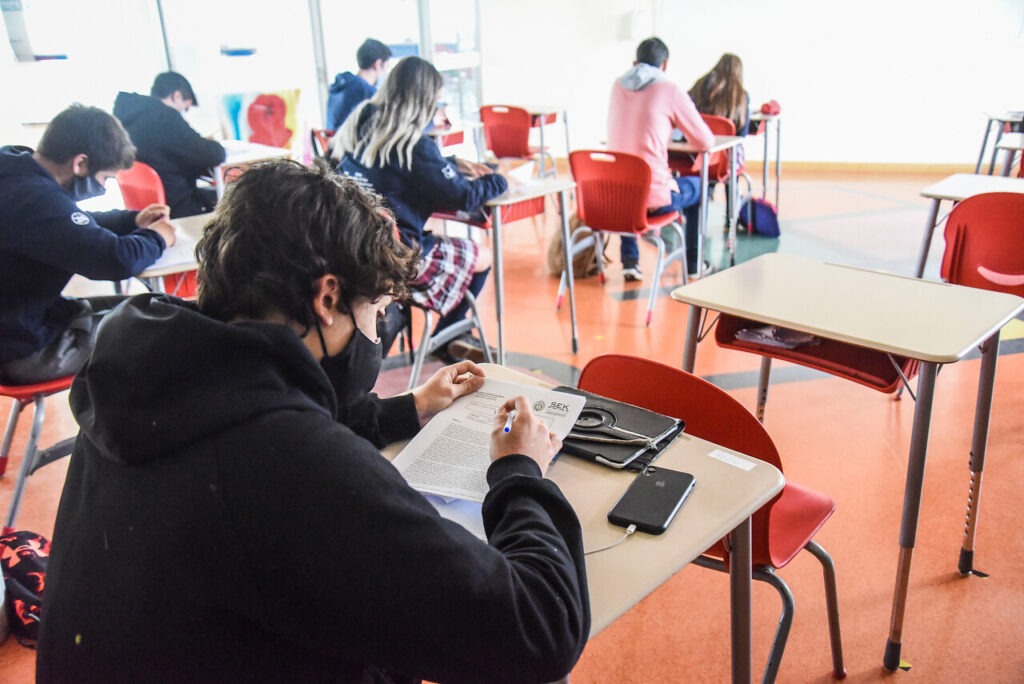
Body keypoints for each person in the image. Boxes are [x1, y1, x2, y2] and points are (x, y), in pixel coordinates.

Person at [36, 159, 590, 683]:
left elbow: (255, 414)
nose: (375, 334)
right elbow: (542, 628)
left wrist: (407, 409)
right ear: (327, 298)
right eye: (374, 312)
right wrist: (519, 471)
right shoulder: (292, 460)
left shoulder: (144, 376)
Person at [334, 56, 506, 362]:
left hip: (352, 248)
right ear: (425, 100)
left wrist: (450, 163)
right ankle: (448, 334)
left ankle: (449, 335)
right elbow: (464, 197)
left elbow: (398, 168)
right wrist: (498, 179)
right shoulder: (414, 145)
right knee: (484, 256)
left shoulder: (361, 120)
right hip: (397, 258)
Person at [0, 104, 175, 385]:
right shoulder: (34, 198)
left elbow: (67, 224)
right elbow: (115, 260)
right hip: (25, 350)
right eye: (105, 178)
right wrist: (158, 237)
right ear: (80, 163)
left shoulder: (16, 172)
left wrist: (131, 221)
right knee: (166, 328)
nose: (104, 188)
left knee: (159, 307)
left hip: (26, 322)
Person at [607, 37, 716, 280]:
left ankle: (630, 261)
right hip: (654, 199)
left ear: (634, 63)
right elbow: (705, 142)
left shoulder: (617, 86)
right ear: (664, 65)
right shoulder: (670, 90)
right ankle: (693, 263)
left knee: (628, 176)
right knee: (700, 187)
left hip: (615, 196)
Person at [113, 71, 227, 218]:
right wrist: (210, 142)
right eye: (185, 108)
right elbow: (214, 155)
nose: (183, 113)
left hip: (145, 206)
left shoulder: (126, 118)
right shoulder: (165, 117)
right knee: (236, 197)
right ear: (176, 96)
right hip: (177, 206)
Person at [326, 38, 392, 132]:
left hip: (335, 141)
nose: (386, 74)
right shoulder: (366, 94)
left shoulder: (341, 87)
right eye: (386, 67)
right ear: (377, 64)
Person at [688, 53, 754, 139]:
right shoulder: (742, 95)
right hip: (729, 146)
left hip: (698, 143)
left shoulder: (699, 85)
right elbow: (742, 135)